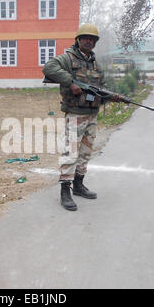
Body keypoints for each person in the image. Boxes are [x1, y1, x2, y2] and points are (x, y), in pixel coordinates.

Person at [43, 23, 121, 211]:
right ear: (78, 39)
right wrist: (70, 82)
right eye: (85, 37)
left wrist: (112, 96)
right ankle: (65, 191)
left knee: (85, 152)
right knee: (70, 153)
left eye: (92, 38)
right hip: (75, 114)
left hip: (91, 115)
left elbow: (100, 89)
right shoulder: (68, 58)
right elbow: (49, 67)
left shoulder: (96, 64)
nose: (89, 40)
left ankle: (78, 184)